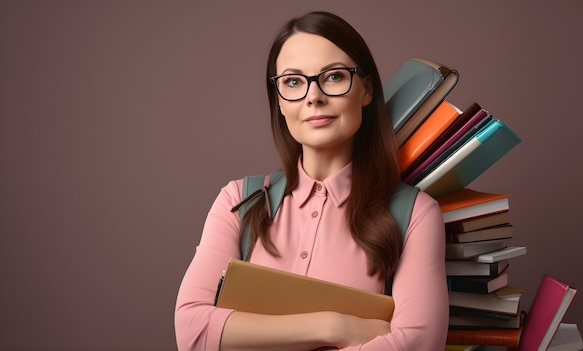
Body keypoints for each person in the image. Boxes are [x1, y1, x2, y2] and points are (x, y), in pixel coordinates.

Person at [175, 10, 448, 351]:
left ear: (365, 90)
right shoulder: (237, 200)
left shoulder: (415, 215)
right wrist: (334, 326)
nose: (312, 96)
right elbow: (192, 331)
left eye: (333, 77)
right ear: (279, 100)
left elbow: (418, 344)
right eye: (292, 81)